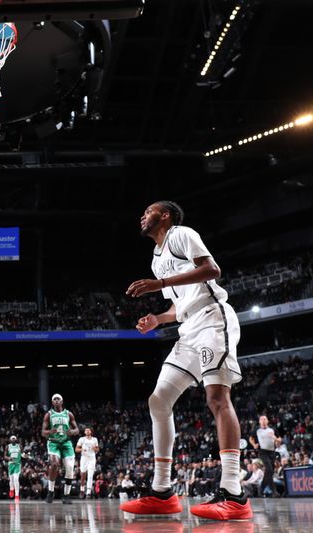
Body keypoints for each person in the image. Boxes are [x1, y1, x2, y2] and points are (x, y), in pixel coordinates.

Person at [120, 201, 251, 520]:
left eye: (149, 211)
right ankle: (162, 491)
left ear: (164, 216)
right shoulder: (156, 259)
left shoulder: (181, 234)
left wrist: (160, 284)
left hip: (212, 319)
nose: (142, 215)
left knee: (217, 398)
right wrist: (158, 319)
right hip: (188, 327)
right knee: (158, 400)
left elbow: (212, 270)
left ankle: (234, 493)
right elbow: (179, 306)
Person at [41, 393, 79, 504]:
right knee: (54, 465)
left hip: (66, 443)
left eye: (58, 399)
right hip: (54, 443)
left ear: (62, 402)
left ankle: (66, 495)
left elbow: (77, 430)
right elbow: (43, 432)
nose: (56, 400)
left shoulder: (69, 414)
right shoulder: (48, 414)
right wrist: (49, 432)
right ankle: (51, 491)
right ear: (52, 403)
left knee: (70, 468)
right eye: (54, 399)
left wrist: (72, 431)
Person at [248, 415, 277, 497]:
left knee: (270, 472)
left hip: (272, 451)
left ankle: (270, 490)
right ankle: (268, 489)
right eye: (261, 419)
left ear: (267, 421)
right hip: (263, 451)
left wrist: (276, 440)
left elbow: (278, 439)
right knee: (269, 469)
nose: (263, 421)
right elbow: (250, 438)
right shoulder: (257, 429)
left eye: (265, 419)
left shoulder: (272, 429)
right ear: (259, 421)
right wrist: (254, 444)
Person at [76, 427, 99, 499]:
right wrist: (82, 449)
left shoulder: (94, 439)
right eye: (86, 430)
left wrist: (94, 449)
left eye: (88, 430)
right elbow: (76, 449)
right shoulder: (82, 439)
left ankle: (88, 492)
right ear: (84, 432)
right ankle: (82, 490)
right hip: (84, 458)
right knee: (83, 475)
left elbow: (97, 449)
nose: (87, 431)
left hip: (92, 458)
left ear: (91, 431)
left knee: (90, 475)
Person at [5, 436, 22, 502]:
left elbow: (23, 454)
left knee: (16, 479)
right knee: (11, 480)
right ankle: (11, 489)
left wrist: (25, 455)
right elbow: (5, 456)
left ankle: (17, 495)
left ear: (16, 439)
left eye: (14, 438)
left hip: (17, 464)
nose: (13, 439)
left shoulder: (19, 446)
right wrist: (9, 458)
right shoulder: (8, 446)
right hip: (11, 464)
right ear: (10, 440)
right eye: (12, 438)